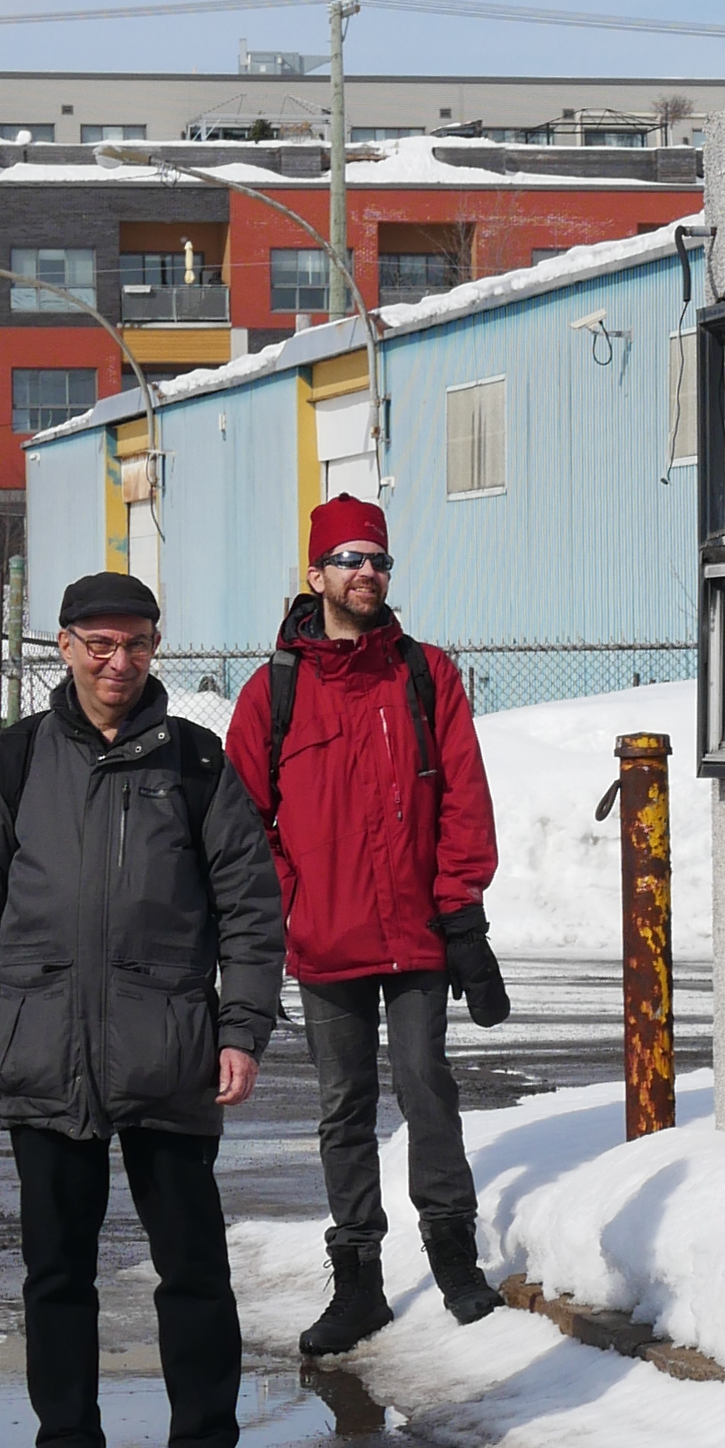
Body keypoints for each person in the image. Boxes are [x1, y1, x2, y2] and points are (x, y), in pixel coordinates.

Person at [0, 572, 285, 1448]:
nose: (117, 662)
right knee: (56, 1272)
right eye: (99, 644)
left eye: (134, 644)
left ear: (152, 649)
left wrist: (243, 1027)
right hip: (44, 1049)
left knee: (194, 1268)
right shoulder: (16, 763)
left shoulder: (200, 767)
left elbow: (252, 911)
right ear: (65, 647)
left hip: (170, 1051)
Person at [225, 493, 509, 1353]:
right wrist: (292, 903)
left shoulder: (425, 674)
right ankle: (358, 1283)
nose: (367, 574)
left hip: (417, 932)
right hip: (326, 940)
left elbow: (463, 795)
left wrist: (460, 909)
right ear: (316, 576)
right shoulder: (273, 690)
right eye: (349, 560)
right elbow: (245, 822)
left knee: (429, 1090)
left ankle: (454, 1260)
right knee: (343, 1109)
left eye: (379, 560)